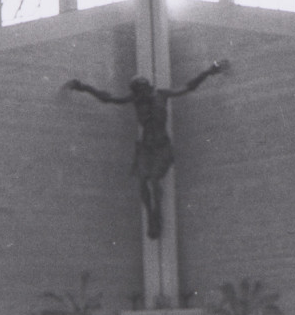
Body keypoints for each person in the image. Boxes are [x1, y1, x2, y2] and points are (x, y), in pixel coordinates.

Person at [65, 60, 230, 239]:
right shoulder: (136, 99)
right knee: (143, 180)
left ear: (147, 87)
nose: (141, 94)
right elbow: (109, 98)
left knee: (154, 179)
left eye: (142, 89)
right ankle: (151, 214)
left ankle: (156, 213)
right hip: (146, 145)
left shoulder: (161, 94)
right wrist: (85, 88)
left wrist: (209, 71)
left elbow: (187, 87)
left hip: (161, 144)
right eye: (138, 91)